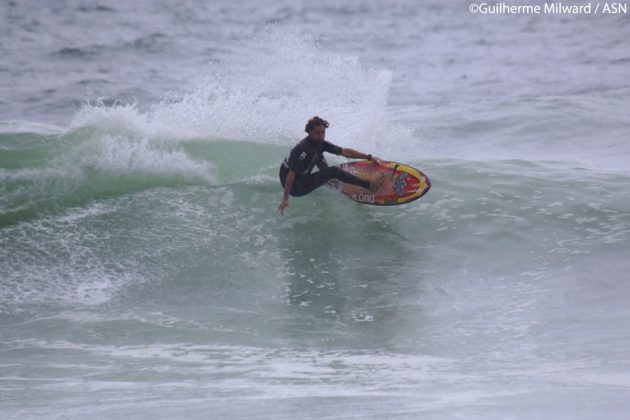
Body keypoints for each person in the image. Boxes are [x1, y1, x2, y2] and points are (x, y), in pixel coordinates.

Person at [278, 116, 382, 216]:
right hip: (295, 187)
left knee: (318, 155)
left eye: (323, 132)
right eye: (317, 133)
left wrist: (368, 157)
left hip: (298, 175)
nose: (321, 135)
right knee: (333, 171)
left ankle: (330, 181)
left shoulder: (319, 143)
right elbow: (290, 178)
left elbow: (345, 152)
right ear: (309, 133)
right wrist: (285, 199)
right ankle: (368, 185)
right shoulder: (305, 151)